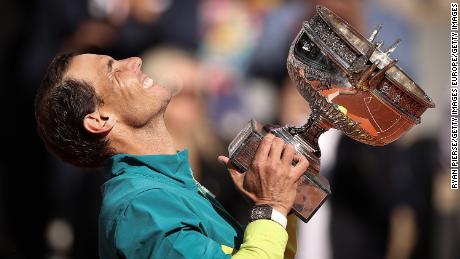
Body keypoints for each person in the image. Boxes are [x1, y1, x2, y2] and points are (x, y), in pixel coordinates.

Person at [34, 52, 309, 258]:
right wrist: (270, 206)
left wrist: (284, 200)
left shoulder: (167, 188)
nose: (134, 61)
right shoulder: (139, 208)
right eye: (113, 71)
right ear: (100, 119)